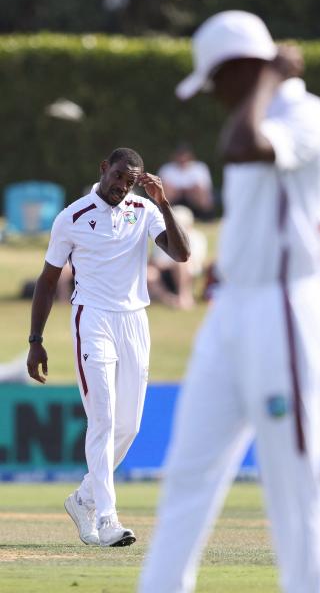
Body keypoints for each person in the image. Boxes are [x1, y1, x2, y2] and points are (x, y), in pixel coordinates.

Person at [140, 10, 320, 593]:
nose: (214, 98)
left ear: (245, 69)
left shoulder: (305, 113)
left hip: (284, 311)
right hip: (231, 312)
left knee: (291, 481)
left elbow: (248, 145)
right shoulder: (251, 116)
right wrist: (262, 84)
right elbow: (240, 140)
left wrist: (272, 79)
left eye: (217, 82)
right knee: (188, 471)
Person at [26, 147, 190, 547]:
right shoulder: (73, 217)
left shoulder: (144, 209)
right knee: (103, 419)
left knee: (129, 426)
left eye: (130, 181)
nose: (122, 186)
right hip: (92, 318)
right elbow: (48, 281)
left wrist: (164, 204)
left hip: (135, 320)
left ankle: (83, 497)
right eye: (118, 176)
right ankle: (106, 517)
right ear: (104, 169)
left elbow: (182, 254)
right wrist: (36, 341)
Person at [148, 205, 207, 309]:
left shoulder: (196, 238)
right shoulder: (163, 237)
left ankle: (185, 297)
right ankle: (168, 299)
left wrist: (168, 264)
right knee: (149, 272)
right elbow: (155, 261)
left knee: (181, 263)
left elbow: (193, 261)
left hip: (186, 273)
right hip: (165, 274)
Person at [158, 144, 215, 219]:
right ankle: (163, 216)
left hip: (193, 199)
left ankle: (206, 217)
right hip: (174, 200)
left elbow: (205, 189)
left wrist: (189, 191)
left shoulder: (200, 167)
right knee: (165, 190)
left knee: (199, 191)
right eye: (180, 155)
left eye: (184, 155)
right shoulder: (166, 169)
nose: (182, 158)